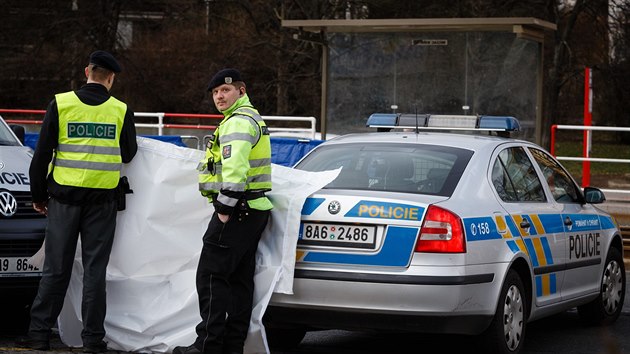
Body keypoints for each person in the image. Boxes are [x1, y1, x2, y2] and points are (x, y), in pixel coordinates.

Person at [16, 50, 138, 353]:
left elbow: (41, 154)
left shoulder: (61, 104)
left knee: (56, 269)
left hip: (63, 201)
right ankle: (93, 340)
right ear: (110, 77)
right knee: (95, 273)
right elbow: (129, 153)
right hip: (103, 203)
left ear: (87, 71)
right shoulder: (120, 110)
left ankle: (39, 335)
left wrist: (37, 196)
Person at [174, 68, 272, 354]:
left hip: (237, 209)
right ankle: (232, 346)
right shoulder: (250, 118)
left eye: (225, 90)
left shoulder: (237, 123)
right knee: (239, 280)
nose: (219, 96)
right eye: (215, 92)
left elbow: (236, 169)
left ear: (241, 91)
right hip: (253, 209)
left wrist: (224, 209)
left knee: (211, 276)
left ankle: (207, 346)